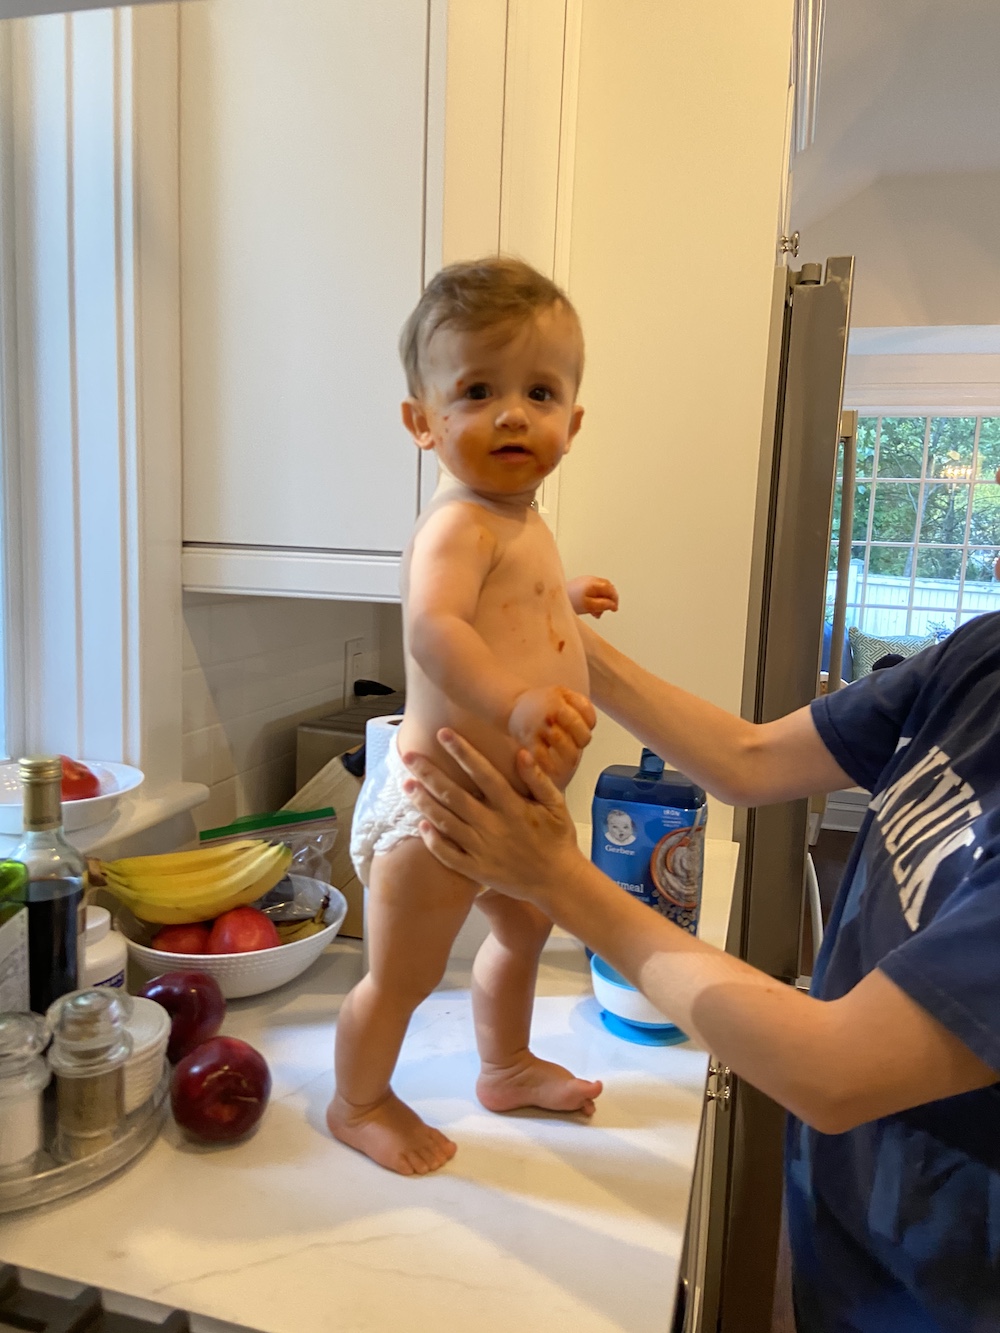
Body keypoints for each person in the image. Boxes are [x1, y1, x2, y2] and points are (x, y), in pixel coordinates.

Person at [401, 611, 1000, 1331]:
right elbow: (751, 758)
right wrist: (569, 640)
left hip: (945, 1290)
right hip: (852, 1234)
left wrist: (556, 877)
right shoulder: (983, 658)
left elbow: (839, 1069)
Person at [327, 256, 619, 1177]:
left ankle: (507, 1064)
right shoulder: (459, 525)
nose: (513, 414)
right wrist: (517, 700)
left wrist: (559, 595)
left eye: (540, 392)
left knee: (526, 927)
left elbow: (504, 604)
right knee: (403, 975)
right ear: (423, 422)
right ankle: (357, 1101)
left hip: (506, 805)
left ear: (573, 422)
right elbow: (437, 628)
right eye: (478, 391)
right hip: (439, 810)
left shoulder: (518, 519)